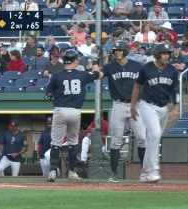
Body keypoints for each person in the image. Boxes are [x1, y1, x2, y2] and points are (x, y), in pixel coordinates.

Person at [45, 49, 103, 182]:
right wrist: (94, 61)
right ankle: (71, 171)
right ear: (75, 60)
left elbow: (48, 93)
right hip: (75, 111)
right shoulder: (81, 74)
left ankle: (53, 170)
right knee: (73, 142)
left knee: (55, 143)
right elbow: (98, 74)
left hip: (60, 110)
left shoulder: (56, 75)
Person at [130, 43, 179, 182]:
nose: (166, 55)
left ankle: (144, 172)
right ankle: (153, 170)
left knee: (154, 139)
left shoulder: (172, 71)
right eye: (164, 53)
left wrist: (176, 107)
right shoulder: (146, 69)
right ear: (157, 55)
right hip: (147, 105)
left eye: (168, 53)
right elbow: (137, 86)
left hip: (164, 107)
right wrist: (133, 106)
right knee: (155, 135)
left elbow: (175, 90)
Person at [100, 40, 147, 182]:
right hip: (118, 105)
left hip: (135, 105)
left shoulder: (136, 66)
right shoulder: (109, 66)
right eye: (116, 50)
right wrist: (96, 66)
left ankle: (144, 172)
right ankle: (113, 173)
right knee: (115, 141)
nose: (117, 52)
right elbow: (100, 75)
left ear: (125, 51)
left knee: (142, 139)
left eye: (120, 50)